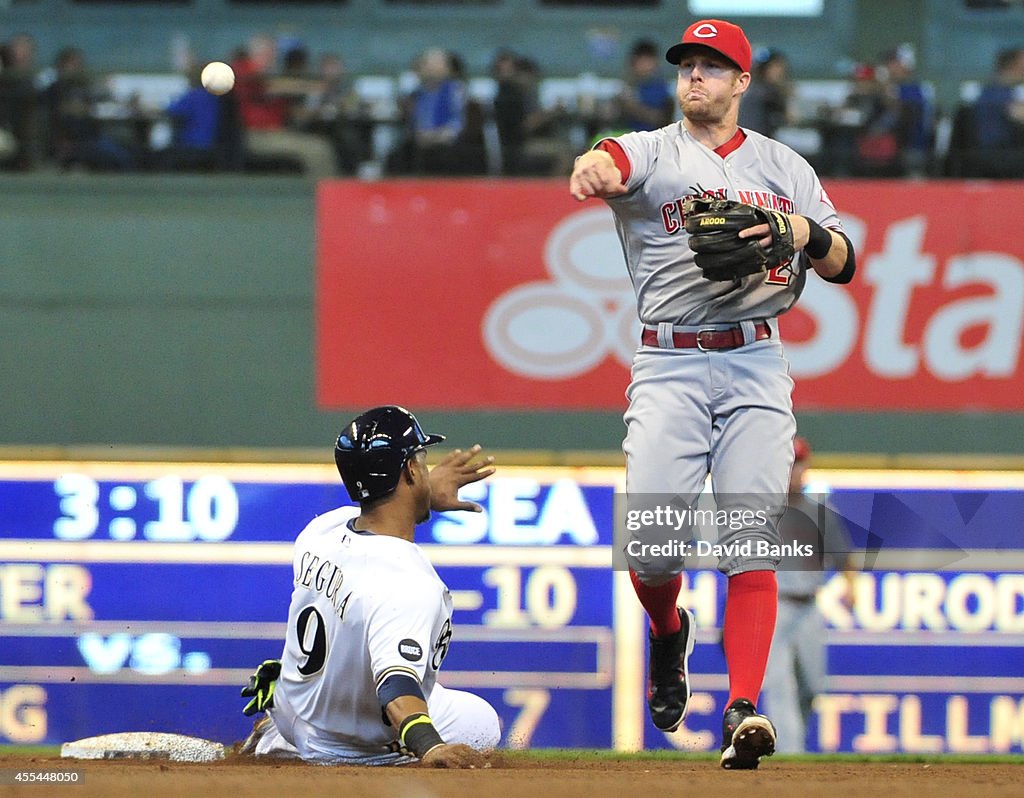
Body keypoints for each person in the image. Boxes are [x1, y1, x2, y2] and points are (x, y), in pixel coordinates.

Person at [569, 18, 855, 769]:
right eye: (688, 65)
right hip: (668, 363)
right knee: (656, 552)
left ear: (741, 82)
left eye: (713, 66)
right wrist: (592, 168)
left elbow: (846, 260)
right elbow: (605, 158)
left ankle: (743, 709)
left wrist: (801, 231)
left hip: (758, 361)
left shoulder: (784, 165)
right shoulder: (652, 151)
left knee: (752, 544)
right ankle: (669, 633)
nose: (696, 76)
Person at [237, 405, 500, 767]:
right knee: (483, 723)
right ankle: (373, 753)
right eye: (421, 461)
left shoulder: (322, 530)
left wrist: (422, 493)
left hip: (291, 709)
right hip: (344, 745)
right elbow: (397, 686)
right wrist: (430, 745)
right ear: (409, 471)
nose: (426, 468)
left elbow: (379, 521)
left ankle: (277, 735)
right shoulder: (409, 585)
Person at [760, 436, 856, 753]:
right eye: (788, 465)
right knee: (779, 685)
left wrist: (851, 585)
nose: (793, 472)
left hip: (809, 607)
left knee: (812, 685)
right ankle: (789, 755)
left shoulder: (819, 511)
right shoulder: (763, 512)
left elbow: (843, 555)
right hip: (774, 607)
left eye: (798, 464)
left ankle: (790, 744)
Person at [969, 47, 1024, 178]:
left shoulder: (998, 90)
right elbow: (1018, 114)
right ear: (1013, 65)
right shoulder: (997, 92)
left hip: (1001, 154)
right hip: (999, 156)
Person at [737, 49, 793, 139]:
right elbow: (791, 117)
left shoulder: (753, 88)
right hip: (752, 140)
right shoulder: (766, 92)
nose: (778, 72)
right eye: (773, 68)